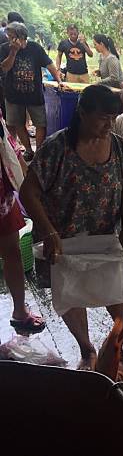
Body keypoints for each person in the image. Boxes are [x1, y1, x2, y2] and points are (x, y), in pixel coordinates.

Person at [19, 84, 123, 370]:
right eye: (102, 118)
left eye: (113, 118)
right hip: (63, 237)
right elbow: (28, 192)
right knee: (70, 292)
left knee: (114, 287)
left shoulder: (119, 146)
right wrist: (49, 232)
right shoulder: (57, 147)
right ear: (82, 112)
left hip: (103, 235)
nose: (109, 125)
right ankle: (87, 348)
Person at [0, 110, 45, 332]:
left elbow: (10, 149)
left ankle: (20, 311)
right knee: (11, 252)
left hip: (2, 195)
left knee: (12, 251)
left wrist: (30, 188)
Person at [0, 22, 61, 158]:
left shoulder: (35, 48)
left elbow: (49, 64)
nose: (9, 40)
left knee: (40, 124)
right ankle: (28, 150)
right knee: (18, 123)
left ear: (22, 37)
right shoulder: (5, 49)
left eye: (12, 37)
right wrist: (13, 52)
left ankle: (39, 152)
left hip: (34, 94)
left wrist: (59, 81)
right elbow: (4, 68)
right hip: (13, 95)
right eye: (8, 37)